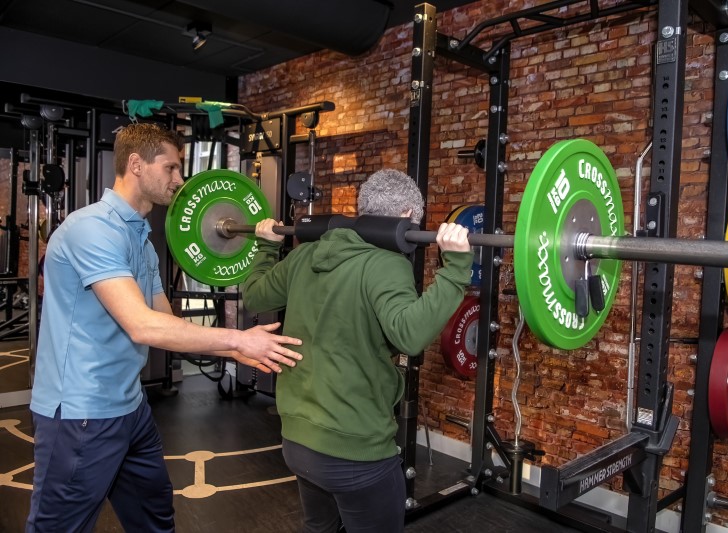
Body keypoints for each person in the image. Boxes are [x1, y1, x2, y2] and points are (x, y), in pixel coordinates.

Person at [26, 123, 304, 532]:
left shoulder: (139, 236)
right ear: (136, 164)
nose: (179, 179)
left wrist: (240, 351)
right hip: (81, 414)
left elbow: (166, 322)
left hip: (129, 406)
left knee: (155, 517)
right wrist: (237, 337)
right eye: (171, 168)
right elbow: (141, 326)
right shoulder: (92, 229)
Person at [242, 168, 473, 533]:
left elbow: (253, 295)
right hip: (355, 454)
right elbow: (411, 337)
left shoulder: (306, 255)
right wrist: (456, 266)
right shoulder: (386, 265)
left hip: (298, 442)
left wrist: (266, 246)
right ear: (406, 218)